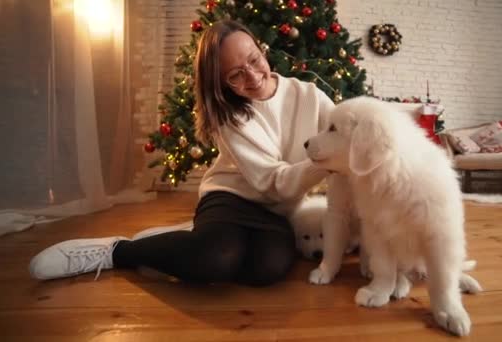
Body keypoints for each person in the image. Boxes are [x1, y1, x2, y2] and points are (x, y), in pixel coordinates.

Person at [28, 20, 334, 287]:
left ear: (260, 48)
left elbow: (344, 135)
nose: (253, 77)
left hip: (277, 211)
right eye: (235, 75)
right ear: (220, 83)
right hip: (232, 198)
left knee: (266, 270)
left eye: (254, 60)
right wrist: (329, 160)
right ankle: (117, 251)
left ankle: (189, 240)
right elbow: (274, 182)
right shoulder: (229, 115)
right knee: (215, 260)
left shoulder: (309, 96)